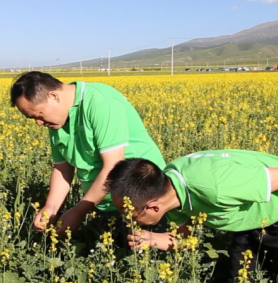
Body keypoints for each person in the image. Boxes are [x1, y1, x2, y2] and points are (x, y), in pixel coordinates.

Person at [104, 149, 278, 283]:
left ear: (153, 206)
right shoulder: (170, 193)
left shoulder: (215, 186)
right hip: (247, 218)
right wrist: (153, 239)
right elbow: (187, 239)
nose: (126, 218)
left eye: (128, 212)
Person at [10, 71, 166, 236]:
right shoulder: (57, 119)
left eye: (39, 115)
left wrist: (78, 211)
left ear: (53, 96)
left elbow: (113, 166)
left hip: (144, 201)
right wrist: (51, 207)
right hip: (103, 203)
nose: (38, 123)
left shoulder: (101, 102)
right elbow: (63, 168)